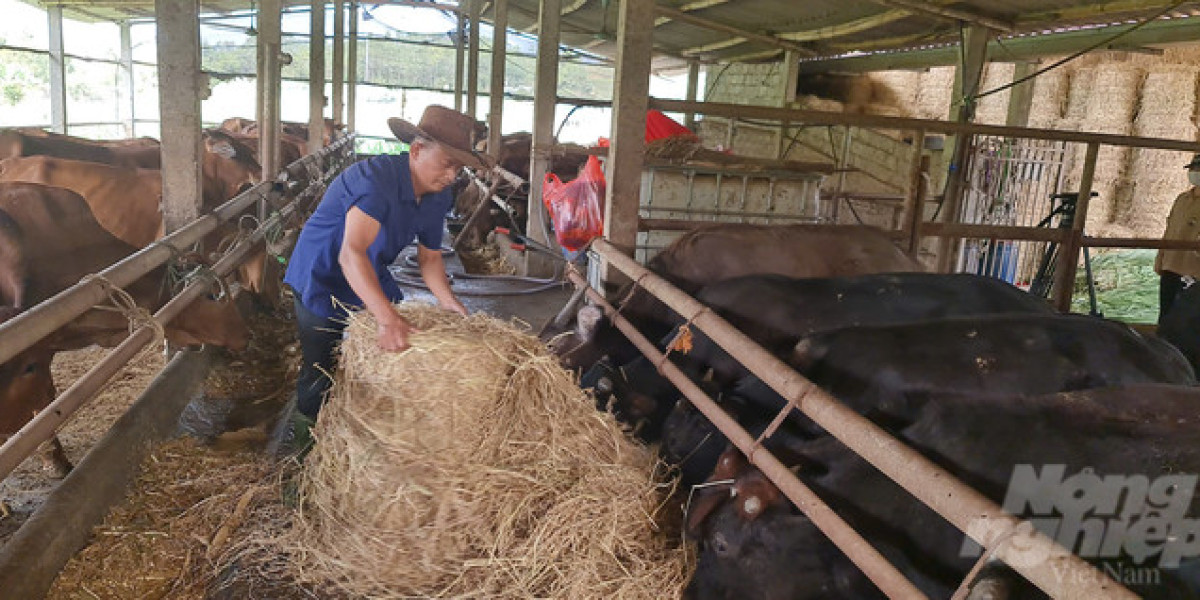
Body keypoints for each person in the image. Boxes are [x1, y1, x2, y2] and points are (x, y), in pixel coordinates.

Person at [283, 105, 491, 427]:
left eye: (459, 168)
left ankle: (360, 419)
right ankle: (306, 438)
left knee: (381, 350)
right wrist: (386, 319)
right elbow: (350, 254)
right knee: (320, 364)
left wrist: (449, 303)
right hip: (321, 274)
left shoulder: (438, 196)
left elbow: (430, 257)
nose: (452, 176)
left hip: (368, 267)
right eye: (448, 164)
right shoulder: (376, 181)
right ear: (417, 150)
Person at [1155, 154, 1200, 323]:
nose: (1195, 173)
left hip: (1194, 272)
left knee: (1187, 321)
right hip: (1170, 266)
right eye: (1194, 169)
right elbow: (1169, 229)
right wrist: (1160, 259)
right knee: (1165, 316)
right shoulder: (1182, 199)